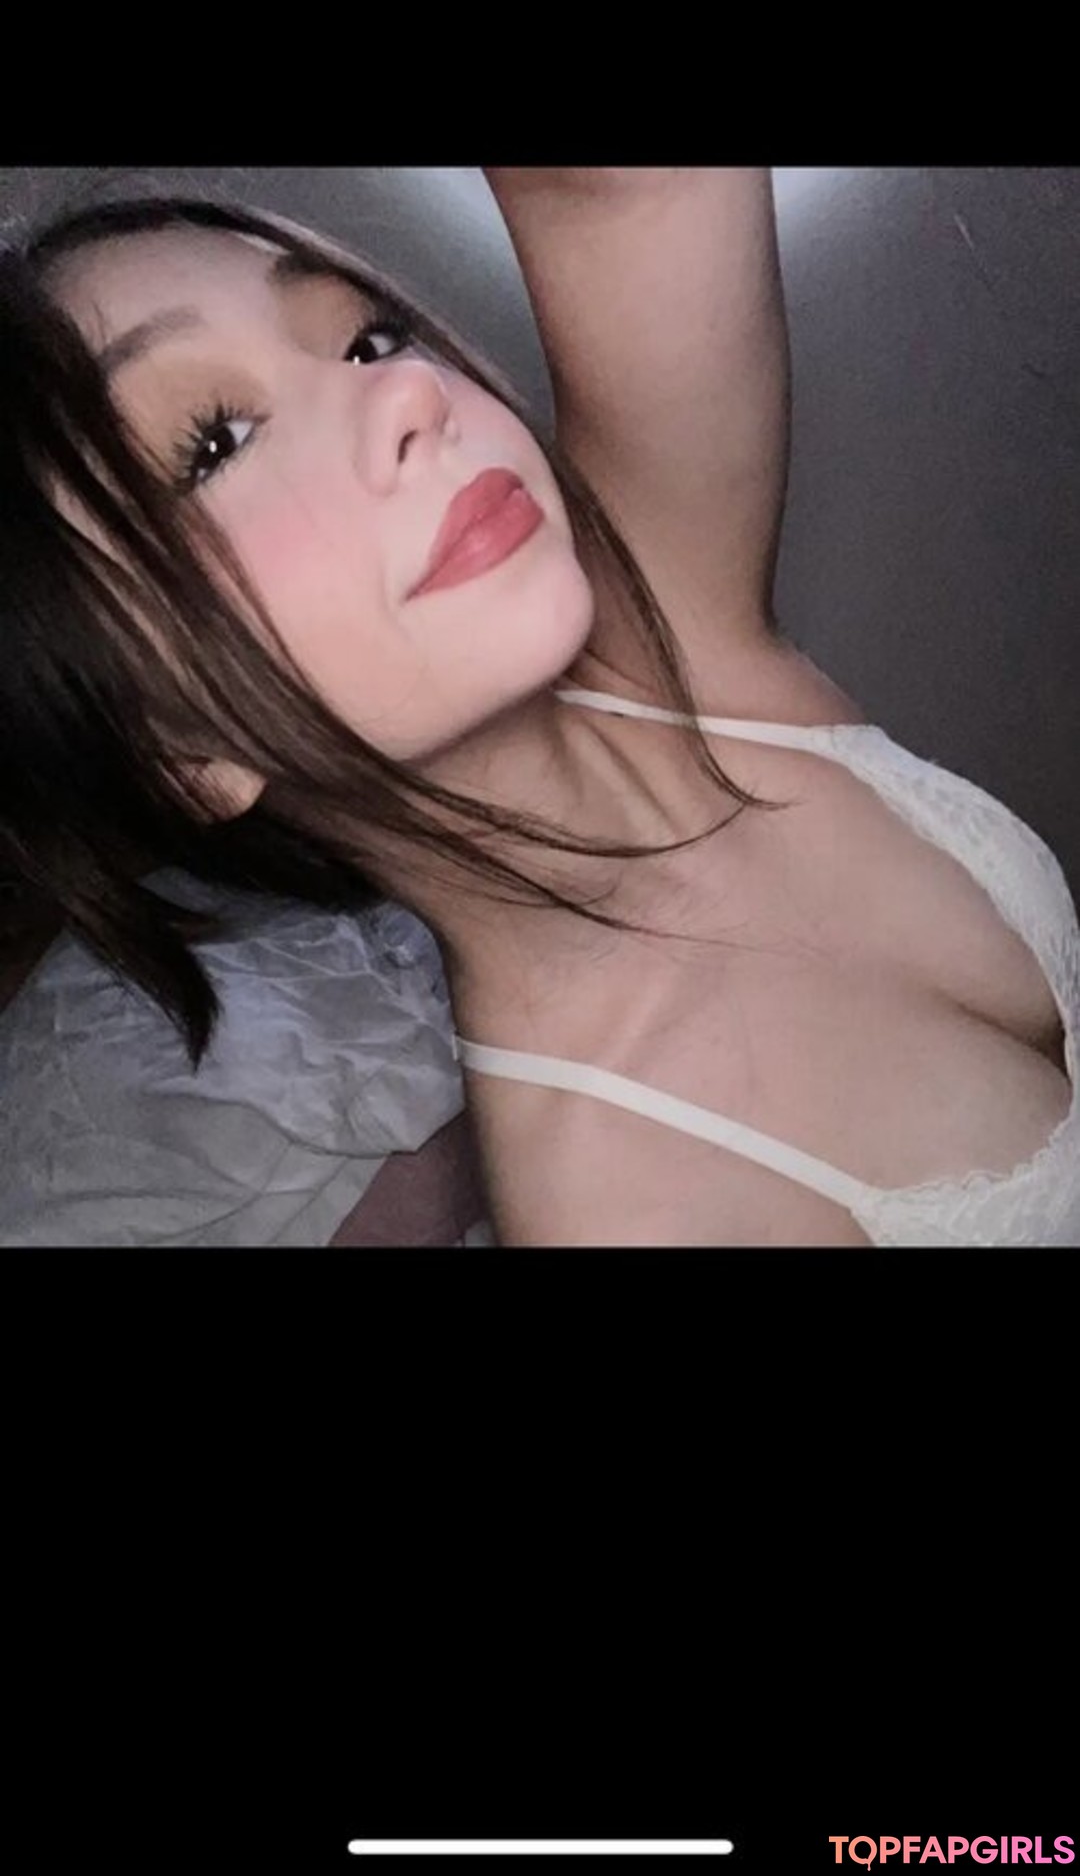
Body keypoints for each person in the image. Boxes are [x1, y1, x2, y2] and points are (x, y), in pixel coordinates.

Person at [1, 168, 1076, 1248]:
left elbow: (632, 191)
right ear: (177, 752)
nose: (408, 394)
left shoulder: (671, 635)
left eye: (368, 340)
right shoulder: (633, 1206)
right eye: (216, 442)